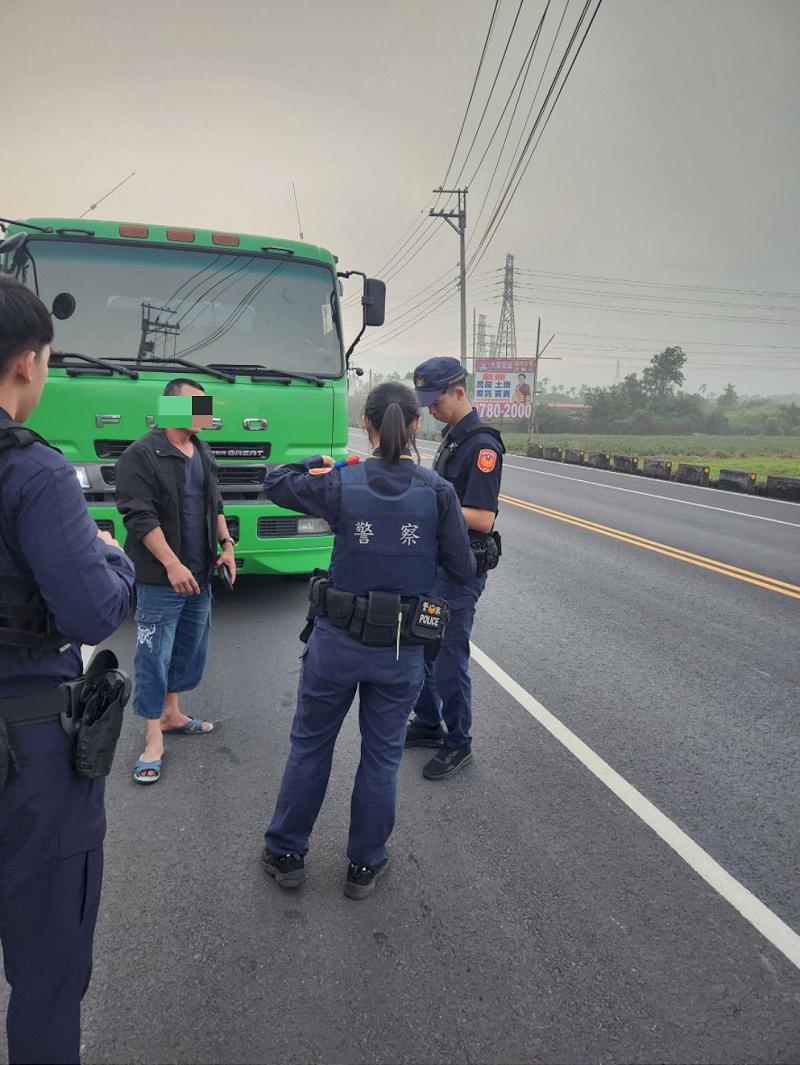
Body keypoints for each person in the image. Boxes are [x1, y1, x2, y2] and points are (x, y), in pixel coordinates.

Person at [261, 382, 476, 899]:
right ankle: (364, 865)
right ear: (416, 426)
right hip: (400, 650)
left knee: (311, 747)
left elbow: (276, 481)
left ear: (370, 425)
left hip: (336, 644)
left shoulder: (343, 482)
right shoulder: (437, 492)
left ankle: (287, 854)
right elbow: (463, 569)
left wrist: (328, 460)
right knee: (380, 758)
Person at [0, 275, 135, 1064]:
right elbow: (90, 611)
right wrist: (110, 553)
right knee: (47, 972)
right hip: (29, 757)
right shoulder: (37, 473)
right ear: (26, 362)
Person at [114, 378, 236, 784]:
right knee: (153, 655)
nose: (205, 412)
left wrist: (227, 544)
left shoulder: (201, 450)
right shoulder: (141, 455)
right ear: (170, 408)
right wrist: (171, 564)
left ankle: (171, 713)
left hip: (200, 574)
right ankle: (152, 740)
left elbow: (215, 502)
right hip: (160, 578)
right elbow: (139, 516)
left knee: (188, 648)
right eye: (196, 405)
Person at [405, 357, 504, 779]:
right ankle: (429, 721)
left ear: (459, 391)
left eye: (437, 400)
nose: (431, 409)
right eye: (425, 402)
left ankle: (458, 741)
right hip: (436, 563)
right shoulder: (453, 438)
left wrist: (430, 497)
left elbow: (483, 518)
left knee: (448, 655)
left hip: (460, 571)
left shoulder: (482, 446)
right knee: (423, 641)